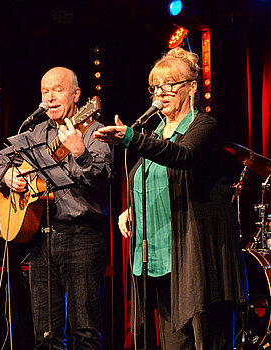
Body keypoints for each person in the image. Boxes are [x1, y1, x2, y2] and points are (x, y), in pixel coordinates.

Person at [94, 47, 248, 349]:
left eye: (169, 85)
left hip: (199, 258)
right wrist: (130, 210)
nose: (160, 93)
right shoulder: (155, 134)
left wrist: (130, 137)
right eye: (156, 87)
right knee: (173, 344)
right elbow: (145, 180)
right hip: (161, 261)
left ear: (191, 87)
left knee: (208, 339)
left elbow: (183, 155)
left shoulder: (203, 126)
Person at [0, 67, 114, 349]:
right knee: (45, 334)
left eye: (58, 90)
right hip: (40, 238)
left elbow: (102, 177)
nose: (51, 97)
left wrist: (79, 152)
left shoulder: (94, 131)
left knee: (85, 331)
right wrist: (7, 176)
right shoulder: (35, 134)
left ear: (77, 95)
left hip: (81, 237)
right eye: (45, 91)